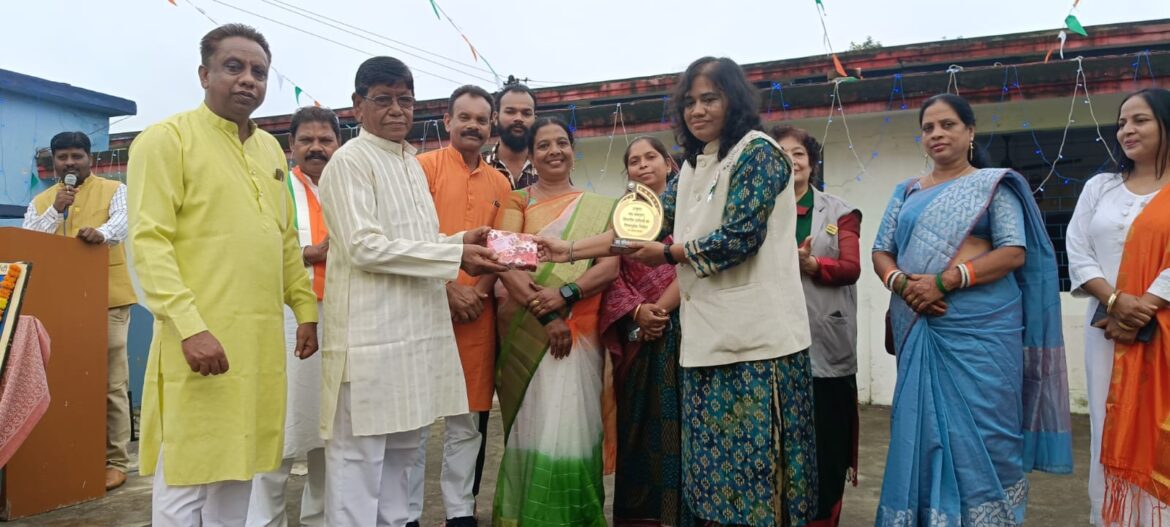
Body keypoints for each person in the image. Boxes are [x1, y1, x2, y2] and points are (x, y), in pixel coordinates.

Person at [537, 56, 816, 527]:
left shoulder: (759, 153)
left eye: (710, 99)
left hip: (760, 345)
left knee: (757, 477)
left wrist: (668, 254)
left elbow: (739, 239)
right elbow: (639, 226)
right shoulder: (693, 166)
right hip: (704, 342)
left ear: (735, 100)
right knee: (711, 476)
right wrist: (568, 250)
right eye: (689, 102)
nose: (697, 111)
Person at [127, 23, 320, 525]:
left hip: (258, 342)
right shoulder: (166, 140)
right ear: (204, 74)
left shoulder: (270, 149)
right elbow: (149, 242)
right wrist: (190, 328)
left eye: (259, 71)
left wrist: (304, 308)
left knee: (241, 466)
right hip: (198, 337)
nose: (248, 79)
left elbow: (283, 238)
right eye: (234, 67)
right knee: (187, 471)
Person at [317, 56, 507, 526]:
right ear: (357, 105)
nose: (397, 110)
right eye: (383, 99)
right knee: (359, 466)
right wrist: (454, 256)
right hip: (370, 340)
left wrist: (458, 241)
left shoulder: (408, 162)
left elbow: (416, 240)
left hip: (414, 337)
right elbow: (363, 247)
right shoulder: (350, 162)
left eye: (405, 100)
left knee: (402, 461)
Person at [871, 93, 1073, 525]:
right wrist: (903, 284)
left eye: (948, 125)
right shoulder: (905, 191)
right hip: (920, 324)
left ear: (970, 131)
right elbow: (881, 251)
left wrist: (945, 281)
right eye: (928, 128)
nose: (937, 134)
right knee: (920, 429)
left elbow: (1013, 251)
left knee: (988, 431)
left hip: (983, 328)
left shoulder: (994, 185)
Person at [491, 116, 619, 527]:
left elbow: (609, 267)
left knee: (574, 427)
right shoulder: (517, 202)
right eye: (543, 145)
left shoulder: (601, 206)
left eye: (561, 143)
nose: (554, 151)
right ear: (531, 154)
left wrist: (566, 295)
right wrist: (546, 315)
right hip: (528, 329)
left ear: (572, 150)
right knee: (536, 424)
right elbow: (507, 264)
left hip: (582, 330)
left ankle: (575, 517)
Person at [1066, 87, 1170, 527]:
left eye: (1140, 120)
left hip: (1161, 330)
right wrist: (1114, 300)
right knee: (1109, 422)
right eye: (1122, 122)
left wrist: (1144, 307)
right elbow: (1077, 248)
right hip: (1106, 331)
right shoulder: (1100, 187)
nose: (1127, 129)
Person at [413, 84, 512, 527]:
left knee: (467, 418)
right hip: (424, 305)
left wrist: (479, 291)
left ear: (492, 126)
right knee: (416, 419)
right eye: (465, 117)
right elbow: (410, 240)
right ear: (447, 121)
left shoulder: (500, 183)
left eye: (481, 119)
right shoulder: (422, 168)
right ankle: (407, 513)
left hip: (477, 313)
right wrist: (447, 288)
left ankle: (459, 512)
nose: (473, 126)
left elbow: (501, 247)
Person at [22, 131, 137, 491]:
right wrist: (55, 211)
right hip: (58, 303)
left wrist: (100, 233)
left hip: (108, 299)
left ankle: (116, 461)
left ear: (90, 158)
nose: (70, 163)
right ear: (54, 162)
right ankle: (72, 454)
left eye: (77, 156)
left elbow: (121, 224)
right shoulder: (42, 201)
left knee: (111, 381)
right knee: (64, 378)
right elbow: (29, 241)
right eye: (63, 157)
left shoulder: (114, 189)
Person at [246, 106, 340, 527]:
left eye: (325, 140)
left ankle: (320, 518)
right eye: (307, 140)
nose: (317, 148)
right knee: (279, 426)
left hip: (341, 319)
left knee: (330, 430)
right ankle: (264, 519)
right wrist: (309, 253)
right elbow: (254, 246)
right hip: (288, 321)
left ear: (338, 144)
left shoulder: (348, 186)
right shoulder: (274, 187)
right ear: (291, 145)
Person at [599, 136, 696, 527]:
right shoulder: (622, 216)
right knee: (637, 430)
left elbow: (695, 263)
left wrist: (661, 309)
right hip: (638, 337)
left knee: (687, 427)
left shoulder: (690, 210)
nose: (642, 165)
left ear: (669, 163)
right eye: (634, 161)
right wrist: (639, 311)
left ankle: (685, 515)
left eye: (650, 157)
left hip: (687, 332)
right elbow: (611, 274)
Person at [770, 125, 861, 527]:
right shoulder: (758, 212)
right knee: (780, 444)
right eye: (782, 154)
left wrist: (812, 265)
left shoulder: (840, 211)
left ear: (812, 163)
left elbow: (851, 268)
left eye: (799, 154)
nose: (791, 161)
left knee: (826, 443)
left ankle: (823, 518)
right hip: (770, 339)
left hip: (825, 342)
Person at [484, 83, 538, 189]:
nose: (518, 118)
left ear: (535, 120)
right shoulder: (476, 167)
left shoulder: (548, 167)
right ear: (495, 118)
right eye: (510, 112)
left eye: (526, 113)